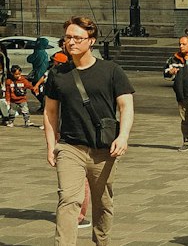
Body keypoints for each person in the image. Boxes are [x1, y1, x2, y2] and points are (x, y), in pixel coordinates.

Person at [43, 14, 134, 246]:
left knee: (103, 203)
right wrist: (51, 146)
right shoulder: (57, 74)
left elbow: (126, 106)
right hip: (70, 147)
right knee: (68, 200)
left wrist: (123, 136)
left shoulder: (111, 71)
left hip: (103, 150)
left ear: (91, 40)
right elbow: (50, 112)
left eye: (77, 38)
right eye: (67, 38)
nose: (71, 42)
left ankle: (101, 242)